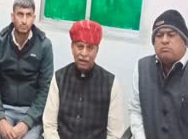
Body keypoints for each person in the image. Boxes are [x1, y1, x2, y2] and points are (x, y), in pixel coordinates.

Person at [0, 0, 54, 139]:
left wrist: (26, 123)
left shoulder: (44, 45)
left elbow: (45, 89)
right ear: (12, 16)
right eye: (20, 14)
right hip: (3, 110)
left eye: (28, 15)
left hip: (31, 113)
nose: (24, 20)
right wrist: (0, 119)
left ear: (33, 18)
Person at [43, 20, 124, 139]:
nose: (84, 53)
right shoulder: (59, 78)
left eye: (90, 48)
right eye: (80, 46)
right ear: (72, 47)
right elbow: (49, 125)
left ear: (97, 51)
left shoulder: (110, 83)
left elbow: (115, 133)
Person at [129, 9, 188, 139]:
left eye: (171, 35)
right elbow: (135, 110)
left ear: (185, 41)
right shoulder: (142, 67)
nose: (164, 40)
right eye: (159, 35)